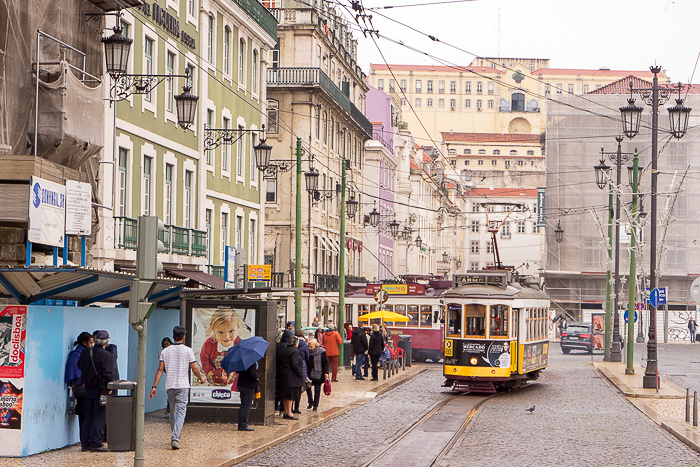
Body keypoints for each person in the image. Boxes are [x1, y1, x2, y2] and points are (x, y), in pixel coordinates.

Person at [149, 326, 206, 450]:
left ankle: (175, 434)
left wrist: (154, 386)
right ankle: (175, 437)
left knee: (173, 412)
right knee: (181, 412)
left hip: (170, 386)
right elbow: (194, 368)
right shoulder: (188, 351)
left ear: (173, 336)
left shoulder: (165, 351)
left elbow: (160, 369)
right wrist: (201, 378)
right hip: (183, 386)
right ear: (183, 337)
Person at [77, 330, 114, 452]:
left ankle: (85, 443)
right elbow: (108, 374)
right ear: (106, 342)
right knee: (99, 416)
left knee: (89, 415)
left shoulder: (86, 352)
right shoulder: (107, 355)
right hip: (101, 389)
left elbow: (79, 365)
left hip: (88, 388)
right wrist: (109, 389)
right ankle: (96, 443)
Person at [200, 309, 244, 385]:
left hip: (233, 381)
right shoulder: (209, 343)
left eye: (231, 331)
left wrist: (233, 370)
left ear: (238, 328)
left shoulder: (239, 344)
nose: (226, 336)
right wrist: (209, 371)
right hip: (215, 378)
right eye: (220, 332)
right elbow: (204, 358)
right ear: (213, 330)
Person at [65, 331, 93, 451]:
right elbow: (74, 372)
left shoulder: (84, 353)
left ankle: (87, 441)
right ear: (84, 342)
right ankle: (85, 442)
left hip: (86, 390)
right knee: (84, 416)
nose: (92, 345)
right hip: (81, 391)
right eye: (91, 342)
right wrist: (82, 381)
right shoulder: (77, 355)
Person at [278, 335, 304, 420]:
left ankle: (286, 412)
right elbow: (294, 364)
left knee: (285, 395)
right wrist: (300, 373)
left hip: (284, 375)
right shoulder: (294, 351)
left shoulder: (284, 350)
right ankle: (289, 412)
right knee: (290, 396)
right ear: (296, 343)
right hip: (292, 377)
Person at [306, 338, 329, 411]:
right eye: (309, 347)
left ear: (315, 346)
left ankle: (316, 404)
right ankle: (310, 401)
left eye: (311, 347)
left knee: (317, 389)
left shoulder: (322, 352)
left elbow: (325, 363)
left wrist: (326, 372)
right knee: (307, 387)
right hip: (309, 372)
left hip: (319, 373)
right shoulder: (307, 352)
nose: (310, 348)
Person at [236, 360, 259, 431]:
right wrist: (257, 378)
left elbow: (237, 371)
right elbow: (252, 373)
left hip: (241, 384)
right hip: (249, 385)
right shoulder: (251, 361)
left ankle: (240, 424)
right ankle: (243, 424)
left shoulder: (240, 360)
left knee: (243, 404)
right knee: (247, 405)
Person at [275, 330, 293, 413]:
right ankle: (282, 407)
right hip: (283, 371)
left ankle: (275, 405)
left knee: (276, 388)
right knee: (283, 389)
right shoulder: (287, 349)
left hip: (275, 370)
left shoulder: (276, 345)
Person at [293, 328, 309, 414]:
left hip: (293, 367)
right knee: (299, 388)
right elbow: (307, 356)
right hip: (302, 365)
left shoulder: (292, 343)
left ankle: (290, 407)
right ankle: (296, 407)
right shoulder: (304, 344)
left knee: (292, 388)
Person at [161, 337, 173, 414]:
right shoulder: (163, 353)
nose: (166, 346)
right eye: (164, 345)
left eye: (167, 344)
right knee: (169, 392)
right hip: (170, 375)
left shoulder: (173, 351)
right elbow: (162, 367)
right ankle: (169, 407)